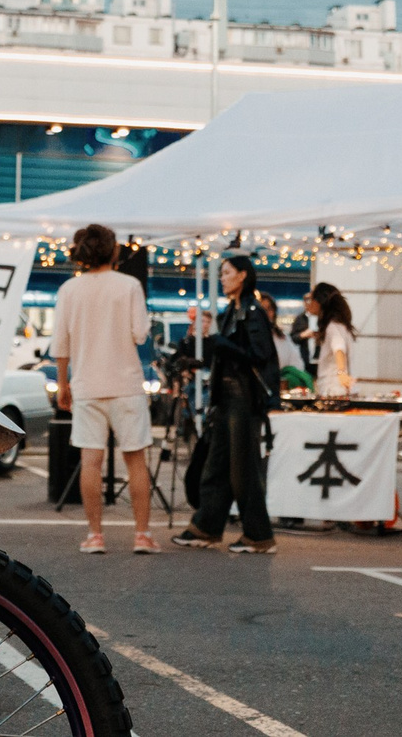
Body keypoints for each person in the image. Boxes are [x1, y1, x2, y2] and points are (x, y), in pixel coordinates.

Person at [53, 222, 157, 554]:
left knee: (90, 461)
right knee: (136, 460)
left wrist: (62, 383)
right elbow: (140, 334)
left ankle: (95, 535)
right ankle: (142, 535)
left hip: (86, 384)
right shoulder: (129, 286)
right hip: (126, 383)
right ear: (114, 250)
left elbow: (61, 344)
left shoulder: (70, 290)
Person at [174, 252, 280, 553]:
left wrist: (225, 346)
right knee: (217, 464)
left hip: (244, 400)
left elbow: (261, 356)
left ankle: (258, 535)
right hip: (227, 398)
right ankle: (206, 527)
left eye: (227, 272)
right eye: (221, 273)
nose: (222, 278)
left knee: (243, 469)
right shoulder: (232, 311)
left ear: (243, 275)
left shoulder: (252, 311)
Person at [299, 283, 356, 397]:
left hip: (332, 388)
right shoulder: (340, 324)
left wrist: (341, 373)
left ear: (319, 301)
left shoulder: (332, 326)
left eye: (312, 298)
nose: (309, 303)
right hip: (337, 388)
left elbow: (339, 348)